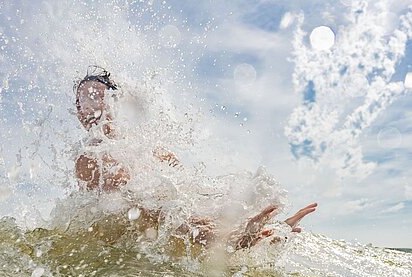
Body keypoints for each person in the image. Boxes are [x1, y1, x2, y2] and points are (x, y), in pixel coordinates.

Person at [73, 66, 317, 250]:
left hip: (174, 239)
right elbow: (129, 210)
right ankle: (237, 240)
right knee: (156, 205)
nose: (86, 108)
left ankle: (260, 231)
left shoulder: (152, 150)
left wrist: (232, 221)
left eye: (95, 97)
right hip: (137, 249)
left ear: (115, 102)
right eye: (80, 101)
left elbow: (192, 197)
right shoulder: (89, 159)